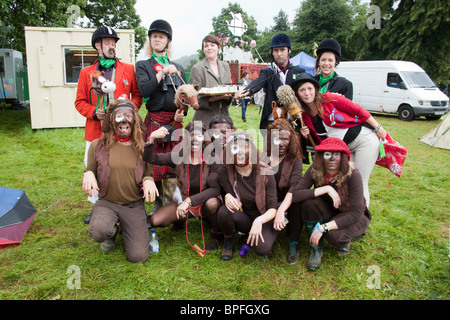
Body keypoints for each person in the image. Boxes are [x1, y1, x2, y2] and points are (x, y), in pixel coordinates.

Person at [75, 26, 143, 224]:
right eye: (108, 43)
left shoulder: (128, 69)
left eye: (114, 43)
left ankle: (122, 201)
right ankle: (97, 206)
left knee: (120, 165)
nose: (112, 46)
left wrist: (129, 107)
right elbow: (79, 102)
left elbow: (138, 96)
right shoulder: (87, 72)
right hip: (96, 129)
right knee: (95, 167)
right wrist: (94, 113)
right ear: (98, 46)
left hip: (124, 129)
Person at [290, 72, 387, 207]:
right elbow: (323, 143)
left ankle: (361, 216)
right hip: (344, 150)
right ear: (298, 94)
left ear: (315, 89)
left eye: (309, 88)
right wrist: (307, 136)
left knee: (359, 181)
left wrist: (378, 127)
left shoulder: (329, 98)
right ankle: (345, 211)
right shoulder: (305, 117)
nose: (307, 93)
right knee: (344, 181)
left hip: (364, 142)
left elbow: (358, 110)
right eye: (302, 90)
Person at [277, 137, 371, 270]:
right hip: (330, 210)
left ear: (343, 157)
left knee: (334, 237)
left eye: (336, 155)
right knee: (308, 204)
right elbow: (296, 194)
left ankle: (348, 238)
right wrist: (326, 188)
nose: (332, 159)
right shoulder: (316, 169)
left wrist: (323, 227)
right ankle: (316, 249)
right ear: (321, 156)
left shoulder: (353, 174)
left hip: (351, 215)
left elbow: (356, 213)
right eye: (327, 154)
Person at [82, 99, 158, 263]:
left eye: (128, 116)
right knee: (99, 231)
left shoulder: (143, 148)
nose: (124, 121)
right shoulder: (97, 145)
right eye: (119, 117)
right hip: (107, 203)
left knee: (138, 257)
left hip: (133, 204)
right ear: (111, 120)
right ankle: (111, 233)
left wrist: (148, 180)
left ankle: (128, 226)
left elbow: (148, 174)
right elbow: (90, 169)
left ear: (135, 120)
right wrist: (88, 173)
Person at [143, 122, 223, 254]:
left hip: (204, 202)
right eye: (191, 136)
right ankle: (180, 222)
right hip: (185, 204)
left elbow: (215, 190)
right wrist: (151, 138)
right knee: (155, 220)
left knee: (212, 203)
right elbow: (150, 158)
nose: (195, 139)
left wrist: (189, 201)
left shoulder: (213, 159)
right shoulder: (178, 157)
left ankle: (217, 235)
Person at [136, 19, 187, 215]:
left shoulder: (179, 67)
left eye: (162, 37)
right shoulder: (143, 65)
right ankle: (157, 201)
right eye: (154, 36)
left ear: (168, 41)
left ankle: (170, 200)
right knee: (155, 161)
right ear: (150, 40)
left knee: (174, 163)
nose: (157, 39)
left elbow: (185, 95)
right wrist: (161, 73)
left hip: (174, 121)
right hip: (155, 119)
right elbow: (144, 90)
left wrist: (182, 113)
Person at [217, 131, 278, 261]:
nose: (239, 152)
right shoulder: (225, 170)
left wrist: (259, 221)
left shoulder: (265, 171)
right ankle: (229, 239)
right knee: (224, 212)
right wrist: (227, 195)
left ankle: (261, 236)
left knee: (262, 249)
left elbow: (273, 208)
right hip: (243, 215)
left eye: (244, 148)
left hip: (264, 218)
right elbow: (227, 190)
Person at [234, 33, 306, 130]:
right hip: (272, 121)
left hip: (294, 121)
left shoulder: (299, 72)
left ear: (289, 50)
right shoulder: (268, 72)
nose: (279, 53)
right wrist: (246, 92)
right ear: (272, 52)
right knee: (272, 145)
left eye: (282, 50)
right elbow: (258, 82)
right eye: (276, 50)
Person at [266, 119, 304, 264]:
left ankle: (294, 242)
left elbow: (295, 186)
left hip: (287, 200)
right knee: (263, 247)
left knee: (298, 200)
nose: (281, 143)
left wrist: (281, 210)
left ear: (291, 140)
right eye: (276, 139)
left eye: (285, 139)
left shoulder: (295, 159)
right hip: (268, 201)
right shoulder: (263, 156)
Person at [189, 34, 232, 127]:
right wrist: (218, 97)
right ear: (203, 49)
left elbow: (229, 89)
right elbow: (194, 100)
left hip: (224, 119)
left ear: (218, 48)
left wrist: (231, 96)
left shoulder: (226, 66)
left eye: (212, 45)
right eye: (206, 46)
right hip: (204, 121)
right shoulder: (197, 68)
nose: (209, 48)